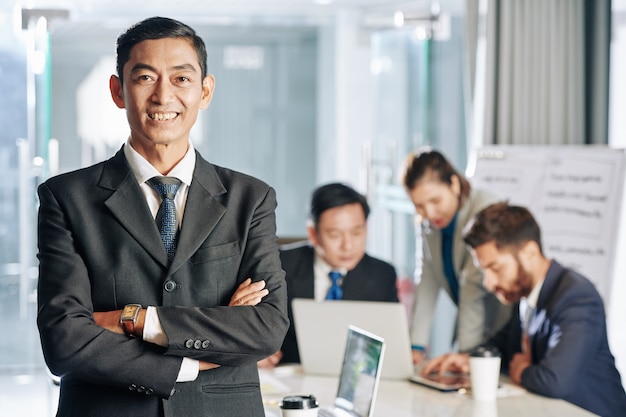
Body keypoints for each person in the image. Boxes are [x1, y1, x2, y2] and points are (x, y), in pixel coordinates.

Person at [36, 17, 288, 417]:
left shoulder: (251, 199)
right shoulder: (67, 198)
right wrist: (187, 362)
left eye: (182, 79)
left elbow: (266, 327)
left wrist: (133, 319)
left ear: (205, 91)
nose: (163, 96)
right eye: (145, 78)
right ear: (118, 91)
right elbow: (64, 341)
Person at [423, 202, 626, 417]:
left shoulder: (577, 297)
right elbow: (502, 345)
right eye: (484, 271)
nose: (489, 283)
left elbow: (554, 382)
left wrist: (521, 370)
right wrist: (469, 359)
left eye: (495, 268)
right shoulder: (525, 294)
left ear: (529, 252)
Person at [258, 182, 399, 367]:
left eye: (357, 232)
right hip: (287, 378)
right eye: (335, 235)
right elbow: (250, 323)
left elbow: (391, 343)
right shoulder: (278, 265)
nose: (348, 246)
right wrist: (255, 350)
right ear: (313, 234)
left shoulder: (382, 274)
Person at [401, 148, 511, 364]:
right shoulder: (426, 222)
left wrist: (465, 355)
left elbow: (473, 288)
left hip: (503, 326)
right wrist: (416, 345)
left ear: (454, 184)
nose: (429, 213)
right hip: (470, 324)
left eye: (435, 201)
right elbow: (428, 278)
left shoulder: (485, 210)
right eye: (419, 206)